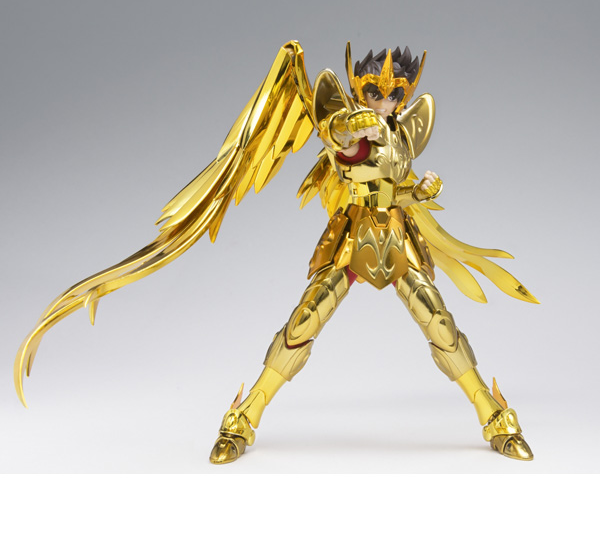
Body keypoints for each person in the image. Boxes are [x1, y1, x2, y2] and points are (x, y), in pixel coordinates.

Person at [14, 41, 538, 465]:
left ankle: (494, 416)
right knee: (304, 322)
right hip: (353, 239)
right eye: (373, 91)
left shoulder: (402, 133)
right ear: (357, 87)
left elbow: (395, 188)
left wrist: (419, 191)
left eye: (394, 93)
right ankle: (244, 417)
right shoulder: (350, 121)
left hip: (397, 239)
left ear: (407, 93)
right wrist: (351, 126)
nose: (383, 101)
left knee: (439, 324)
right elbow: (343, 145)